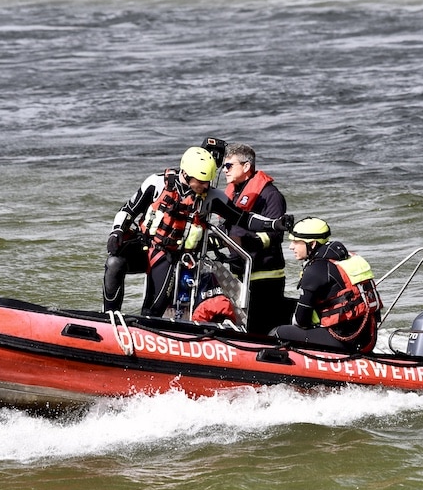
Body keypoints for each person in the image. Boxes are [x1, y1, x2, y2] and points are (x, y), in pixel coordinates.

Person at [103, 146, 292, 318]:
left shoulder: (212, 197)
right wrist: (116, 232)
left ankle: (146, 331)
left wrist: (275, 224)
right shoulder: (156, 183)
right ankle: (109, 317)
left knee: (151, 312)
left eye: (207, 182)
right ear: (185, 174)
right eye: (200, 182)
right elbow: (128, 210)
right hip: (144, 246)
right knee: (114, 263)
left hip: (168, 258)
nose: (205, 186)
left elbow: (244, 218)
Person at [270, 218, 381, 352]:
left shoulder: (315, 269)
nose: (291, 247)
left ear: (312, 244)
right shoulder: (349, 258)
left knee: (278, 332)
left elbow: (300, 322)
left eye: (296, 242)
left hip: (343, 341)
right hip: (367, 338)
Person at [220, 143, 290, 334]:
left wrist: (243, 243)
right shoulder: (232, 193)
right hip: (237, 274)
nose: (224, 170)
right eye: (224, 166)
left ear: (246, 166)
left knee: (260, 330)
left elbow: (276, 235)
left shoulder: (270, 195)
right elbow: (225, 227)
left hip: (265, 277)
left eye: (229, 165)